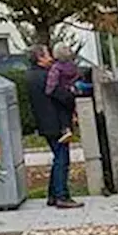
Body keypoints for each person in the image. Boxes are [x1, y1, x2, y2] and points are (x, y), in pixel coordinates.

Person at [24, 45, 83, 209]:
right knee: (62, 159)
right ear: (40, 58)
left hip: (45, 122)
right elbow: (60, 95)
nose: (51, 57)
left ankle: (52, 195)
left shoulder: (30, 75)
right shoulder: (48, 75)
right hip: (57, 122)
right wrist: (72, 95)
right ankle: (62, 196)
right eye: (47, 54)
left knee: (58, 157)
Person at [44, 43, 81, 144]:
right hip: (72, 92)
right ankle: (74, 124)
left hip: (61, 93)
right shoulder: (72, 66)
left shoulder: (56, 68)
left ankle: (66, 129)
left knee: (61, 110)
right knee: (70, 109)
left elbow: (52, 85)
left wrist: (50, 90)